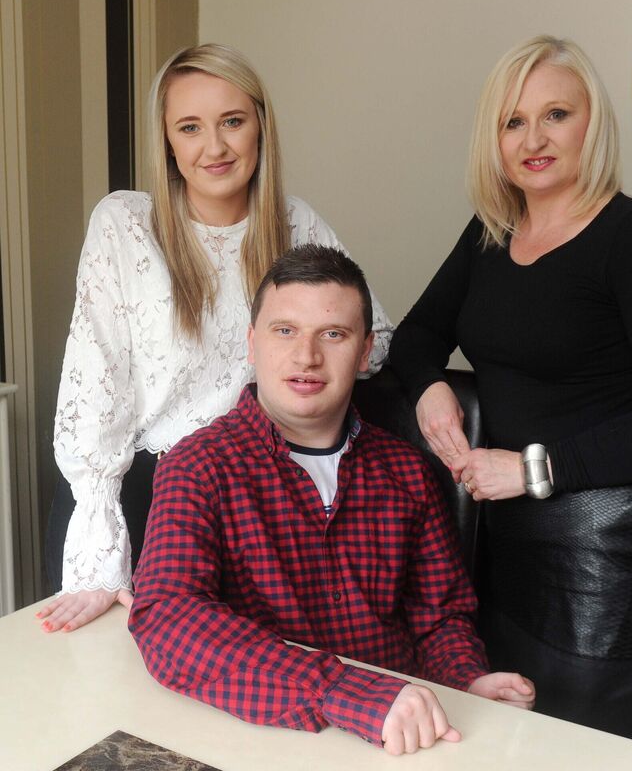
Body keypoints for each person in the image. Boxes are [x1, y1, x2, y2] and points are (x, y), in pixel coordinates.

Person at [389, 34, 632, 743]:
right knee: (505, 745)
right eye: (512, 120)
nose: (534, 138)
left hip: (612, 558)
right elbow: (413, 337)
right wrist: (429, 385)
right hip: (504, 547)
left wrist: (533, 468)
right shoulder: (490, 234)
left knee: (593, 753)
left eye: (555, 114)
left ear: (592, 122)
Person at [40, 44, 393, 634]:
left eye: (233, 121)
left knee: (240, 690)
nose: (215, 147)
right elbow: (96, 380)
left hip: (256, 495)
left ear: (261, 126)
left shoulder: (294, 223)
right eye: (190, 127)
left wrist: (297, 357)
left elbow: (371, 338)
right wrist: (101, 555)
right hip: (135, 497)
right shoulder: (126, 224)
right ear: (168, 142)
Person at [128, 245, 535, 756]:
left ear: (365, 352)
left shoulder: (409, 473)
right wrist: (346, 693)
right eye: (285, 331)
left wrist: (465, 683)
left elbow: (440, 618)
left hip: (401, 742)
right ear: (252, 344)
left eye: (333, 335)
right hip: (261, 739)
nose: (307, 357)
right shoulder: (196, 467)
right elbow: (168, 616)